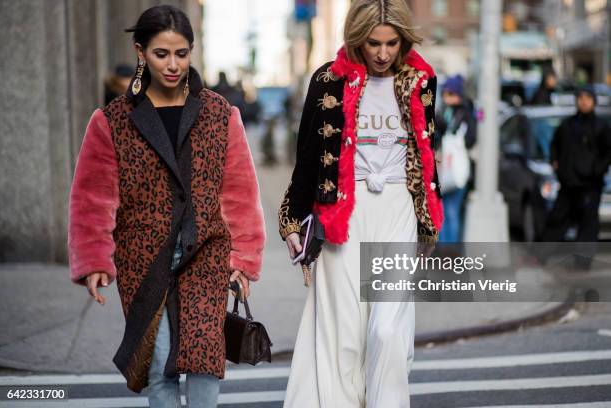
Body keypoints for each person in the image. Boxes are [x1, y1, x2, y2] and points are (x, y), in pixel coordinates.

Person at [68, 5, 265, 407]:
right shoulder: (112, 121)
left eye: (181, 53)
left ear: (192, 52)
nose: (173, 64)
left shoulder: (219, 114)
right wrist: (93, 260)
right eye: (162, 54)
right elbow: (92, 198)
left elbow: (240, 191)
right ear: (141, 52)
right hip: (143, 259)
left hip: (208, 253)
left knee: (205, 360)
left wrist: (244, 258)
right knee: (159, 367)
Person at [278, 0, 443, 406]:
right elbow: (308, 157)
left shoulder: (421, 80)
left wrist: (427, 222)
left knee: (386, 329)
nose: (384, 53)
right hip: (343, 214)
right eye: (374, 43)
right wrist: (292, 221)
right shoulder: (327, 80)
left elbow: (426, 152)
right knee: (344, 336)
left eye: (392, 43)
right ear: (357, 39)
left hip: (398, 209)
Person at [541, 85, 611, 244]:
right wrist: (556, 164)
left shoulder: (601, 127)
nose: (584, 102)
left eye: (588, 98)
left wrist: (597, 169)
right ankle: (541, 255)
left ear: (594, 101)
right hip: (568, 183)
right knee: (557, 219)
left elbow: (608, 153)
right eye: (581, 98)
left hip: (590, 185)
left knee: (588, 225)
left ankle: (582, 263)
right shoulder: (567, 125)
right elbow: (555, 146)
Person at [435, 74, 477, 242]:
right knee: (442, 211)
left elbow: (470, 139)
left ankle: (449, 250)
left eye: (450, 94)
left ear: (459, 95)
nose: (446, 98)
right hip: (442, 169)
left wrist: (446, 131)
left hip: (457, 170)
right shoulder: (443, 112)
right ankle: (444, 248)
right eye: (445, 94)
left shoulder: (466, 114)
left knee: (452, 211)